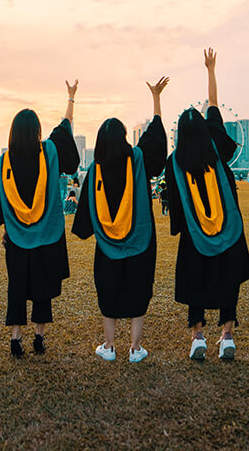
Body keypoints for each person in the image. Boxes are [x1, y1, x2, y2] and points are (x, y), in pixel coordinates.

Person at [72, 77, 168, 363]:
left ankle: (109, 346)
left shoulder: (95, 170)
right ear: (125, 137)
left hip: (107, 247)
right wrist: (156, 99)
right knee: (139, 289)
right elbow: (156, 140)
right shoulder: (138, 158)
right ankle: (135, 348)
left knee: (109, 290)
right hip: (141, 241)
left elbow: (84, 218)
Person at [165, 50, 249, 361]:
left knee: (196, 282)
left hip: (195, 234)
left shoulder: (174, 162)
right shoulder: (216, 145)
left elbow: (173, 201)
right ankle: (227, 336)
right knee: (228, 279)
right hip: (228, 229)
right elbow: (213, 104)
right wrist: (210, 70)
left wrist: (180, 226)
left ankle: (197, 336)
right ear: (204, 129)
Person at [0, 80, 81, 357]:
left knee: (17, 286)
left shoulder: (4, 163)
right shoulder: (49, 152)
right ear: (37, 131)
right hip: (47, 236)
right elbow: (64, 129)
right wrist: (71, 98)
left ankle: (16, 339)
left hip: (16, 238)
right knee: (42, 287)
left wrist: (8, 228)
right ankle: (39, 337)